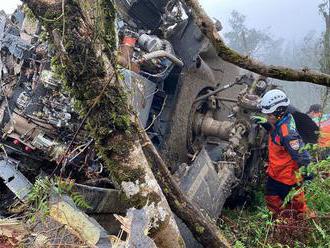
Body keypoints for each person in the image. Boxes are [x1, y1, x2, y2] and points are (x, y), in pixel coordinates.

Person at [253, 89, 311, 216]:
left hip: (287, 178)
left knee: (296, 207)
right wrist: (266, 125)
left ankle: (295, 225)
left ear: (279, 112)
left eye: (269, 115)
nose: (267, 117)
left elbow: (301, 155)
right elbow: (276, 134)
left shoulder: (288, 134)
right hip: (276, 173)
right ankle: (278, 222)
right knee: (271, 199)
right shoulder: (282, 120)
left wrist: (308, 172)